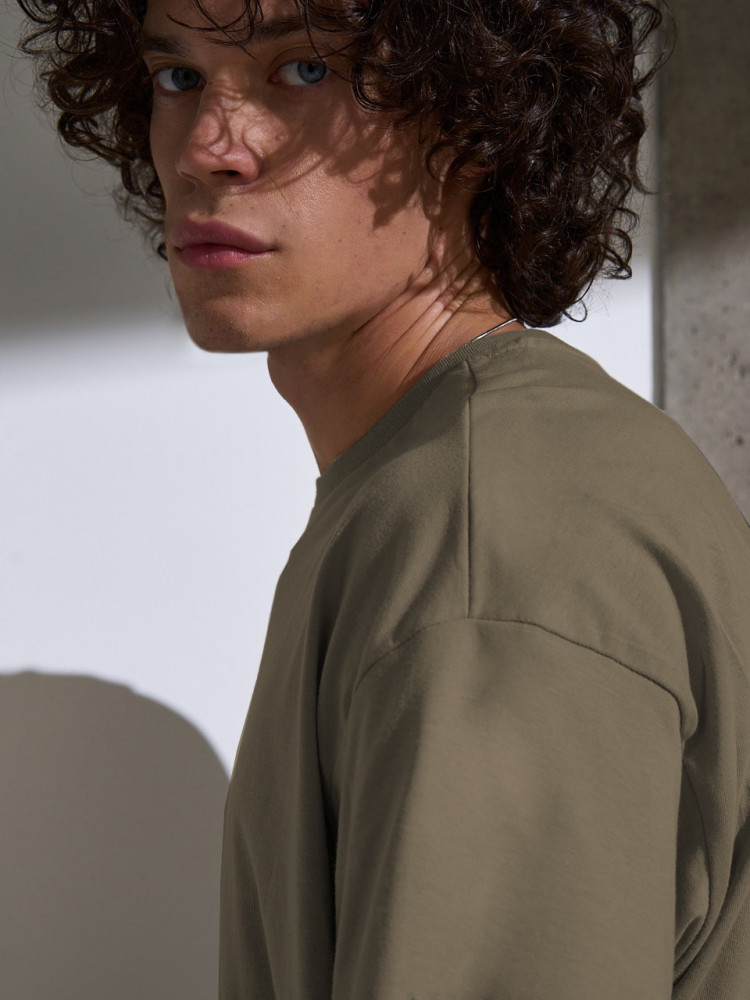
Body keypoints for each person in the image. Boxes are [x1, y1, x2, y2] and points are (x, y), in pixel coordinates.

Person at [15, 0, 750, 996]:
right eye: (179, 77)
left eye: (303, 69)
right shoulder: (442, 485)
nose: (207, 150)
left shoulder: (491, 548)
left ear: (476, 112)